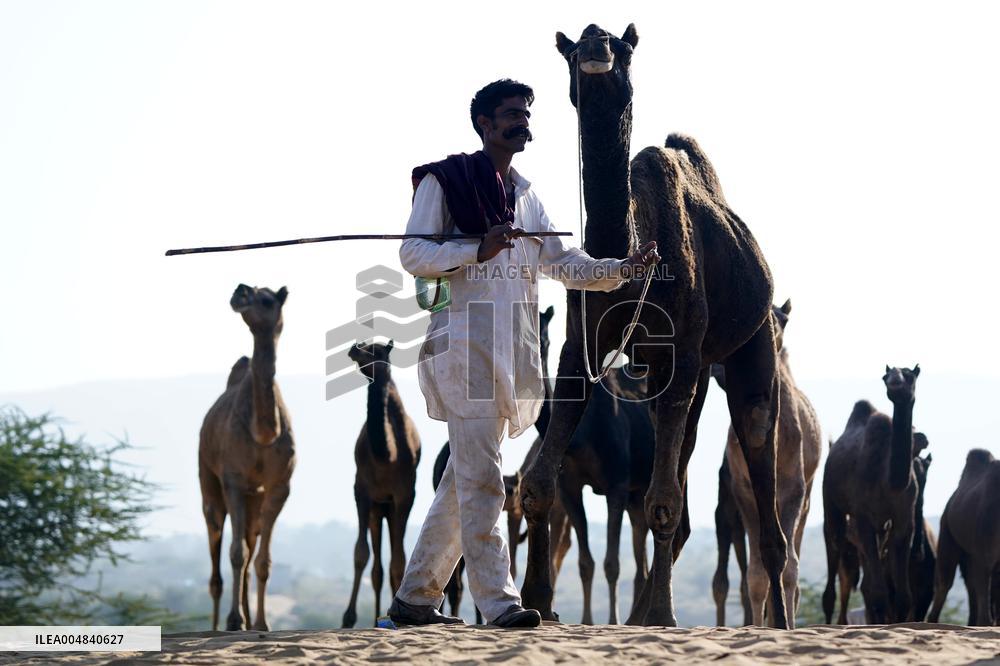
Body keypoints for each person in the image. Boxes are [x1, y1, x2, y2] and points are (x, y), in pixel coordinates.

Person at [392, 79, 659, 628]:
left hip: (512, 352)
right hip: (464, 348)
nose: (521, 120)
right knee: (484, 478)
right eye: (511, 113)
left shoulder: (529, 197)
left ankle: (415, 600)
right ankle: (499, 603)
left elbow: (565, 264)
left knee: (463, 481)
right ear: (484, 125)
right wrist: (475, 248)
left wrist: (623, 269)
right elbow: (413, 252)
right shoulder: (446, 183)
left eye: (526, 113)